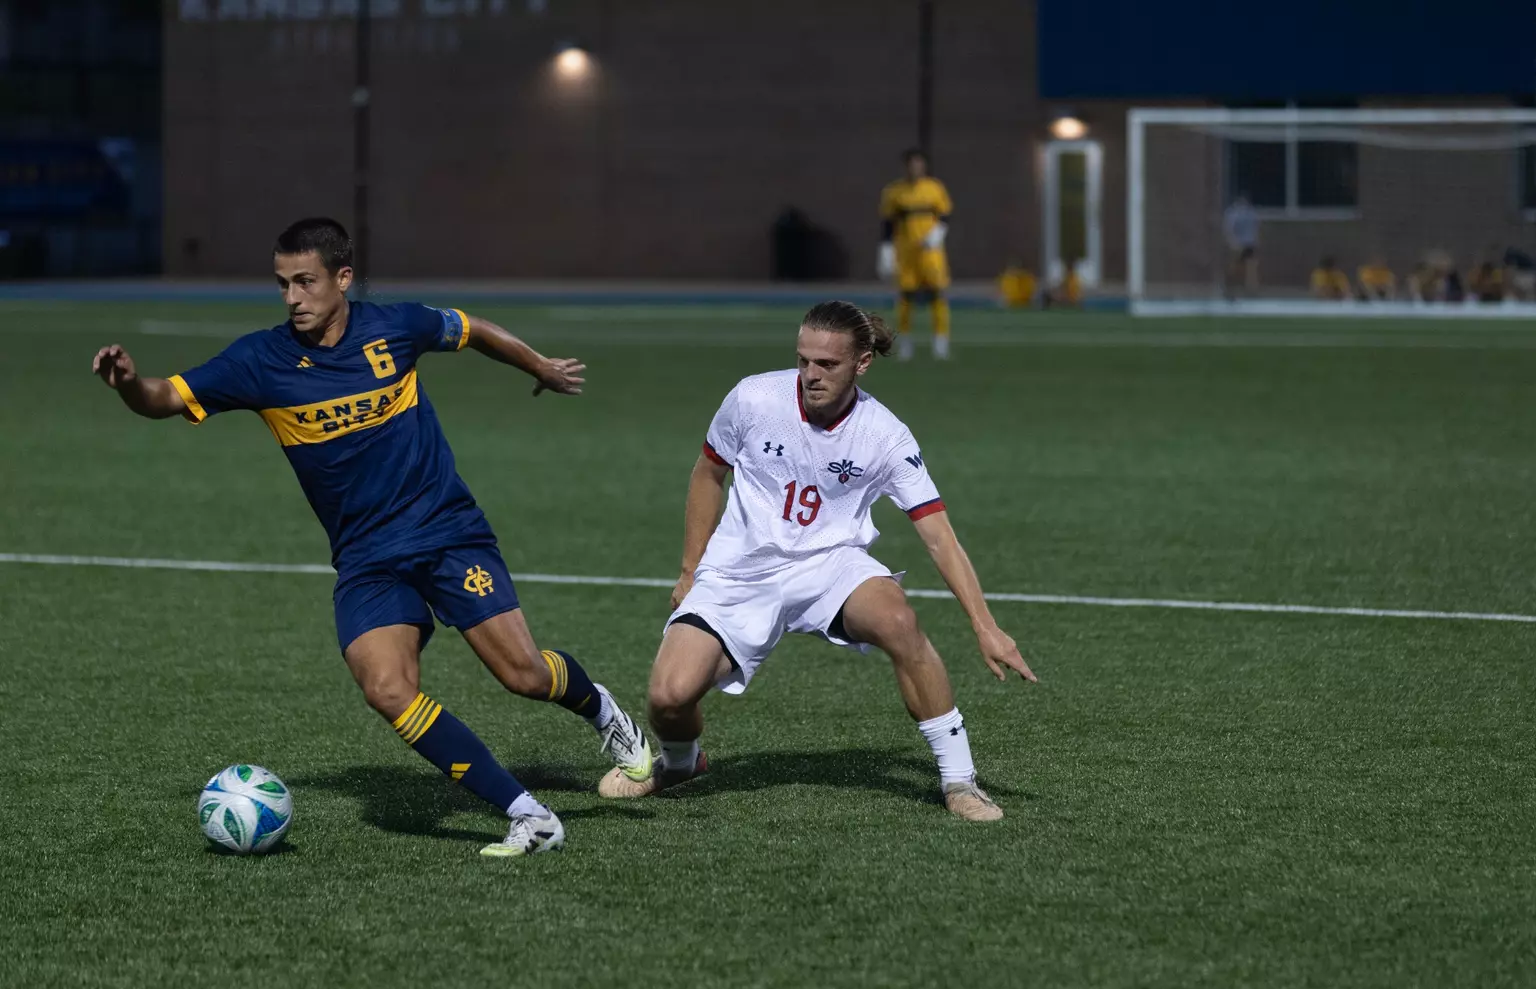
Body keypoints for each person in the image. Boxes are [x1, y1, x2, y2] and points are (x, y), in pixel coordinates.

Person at [90, 217, 650, 858]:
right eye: (282, 284)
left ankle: (607, 715)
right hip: (366, 560)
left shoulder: (395, 326)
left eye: (305, 281)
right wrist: (129, 382)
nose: (293, 298)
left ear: (342, 278)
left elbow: (470, 329)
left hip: (446, 533)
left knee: (522, 675)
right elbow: (164, 397)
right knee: (386, 688)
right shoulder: (259, 361)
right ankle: (530, 816)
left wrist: (541, 367)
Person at [599, 301, 1036, 820]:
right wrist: (690, 570)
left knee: (898, 619)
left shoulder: (885, 435)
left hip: (832, 565)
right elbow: (706, 474)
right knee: (669, 698)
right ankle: (680, 762)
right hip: (739, 570)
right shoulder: (753, 397)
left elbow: (938, 534)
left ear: (862, 362)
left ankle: (959, 780)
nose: (810, 375)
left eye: (827, 364)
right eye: (804, 360)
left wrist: (984, 625)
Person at [878, 149, 954, 359]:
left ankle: (940, 343)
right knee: (906, 298)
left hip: (931, 252)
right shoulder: (894, 192)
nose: (915, 168)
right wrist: (886, 251)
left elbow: (945, 215)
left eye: (919, 164)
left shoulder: (934, 188)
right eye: (912, 164)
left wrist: (937, 234)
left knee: (938, 294)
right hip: (906, 252)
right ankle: (905, 343)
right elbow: (886, 223)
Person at [1222, 192, 1260, 296]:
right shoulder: (1237, 213)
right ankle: (1230, 288)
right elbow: (1229, 229)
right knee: (1237, 267)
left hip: (1246, 243)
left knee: (1249, 267)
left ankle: (1249, 290)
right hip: (1240, 244)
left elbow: (1254, 229)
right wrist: (1232, 241)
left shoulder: (1243, 213)